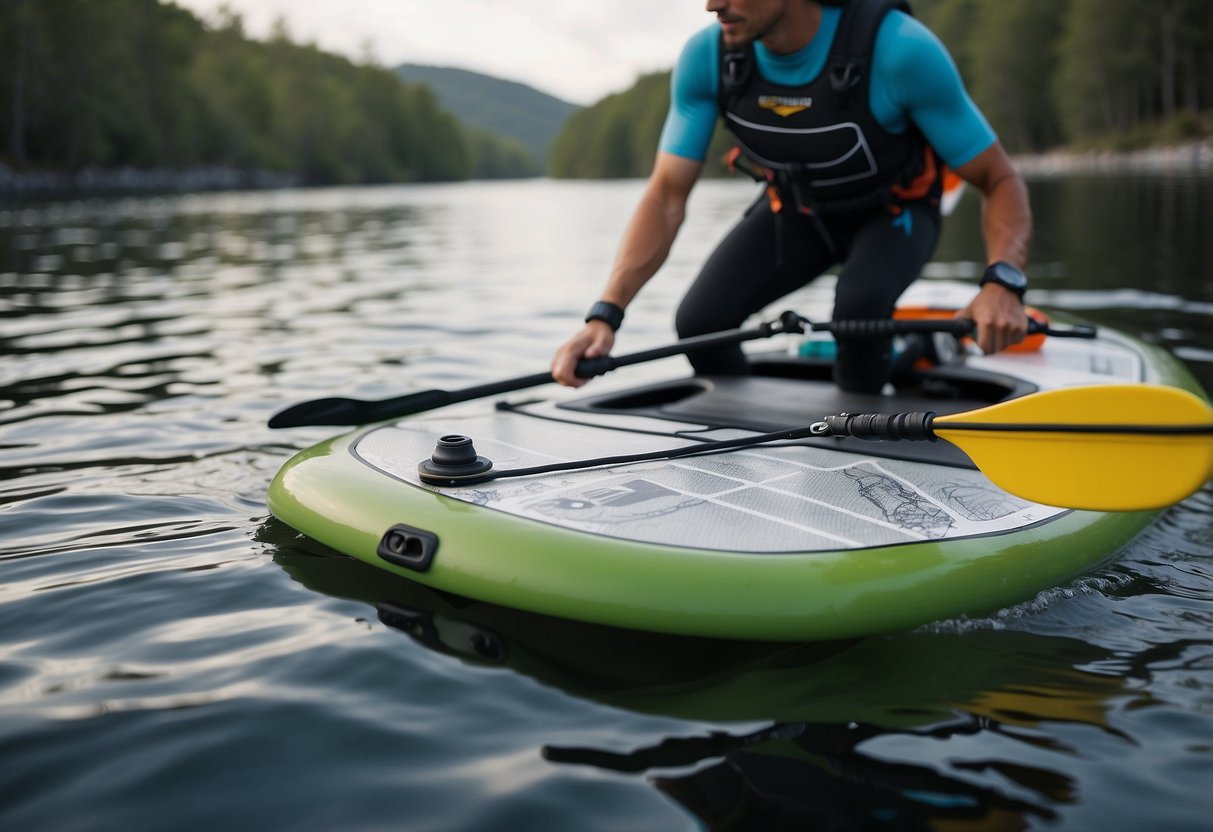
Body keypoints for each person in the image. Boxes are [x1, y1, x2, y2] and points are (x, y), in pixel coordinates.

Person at [552, 0, 1032, 394]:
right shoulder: (710, 59)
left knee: (858, 313)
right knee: (701, 324)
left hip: (895, 214)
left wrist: (1002, 283)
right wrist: (606, 314)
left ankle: (899, 378)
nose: (711, 5)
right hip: (798, 212)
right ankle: (742, 440)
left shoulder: (899, 49)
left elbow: (999, 179)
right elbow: (666, 196)